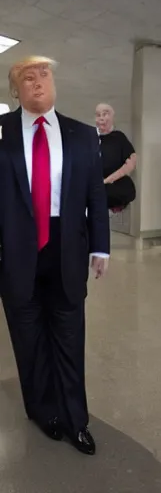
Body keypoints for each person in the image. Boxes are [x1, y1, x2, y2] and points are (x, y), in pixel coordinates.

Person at [0, 56, 110, 455]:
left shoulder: (82, 135)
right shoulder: (3, 132)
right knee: (28, 339)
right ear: (16, 90)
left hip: (65, 248)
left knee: (68, 336)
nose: (37, 82)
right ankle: (43, 412)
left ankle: (75, 419)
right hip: (14, 251)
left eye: (43, 74)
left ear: (54, 82)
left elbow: (96, 195)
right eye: (26, 78)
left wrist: (100, 247)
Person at [94, 103, 137, 210]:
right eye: (98, 115)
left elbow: (131, 162)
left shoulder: (119, 137)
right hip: (97, 188)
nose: (101, 118)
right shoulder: (91, 139)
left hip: (116, 188)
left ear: (112, 117)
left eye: (105, 114)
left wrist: (107, 180)